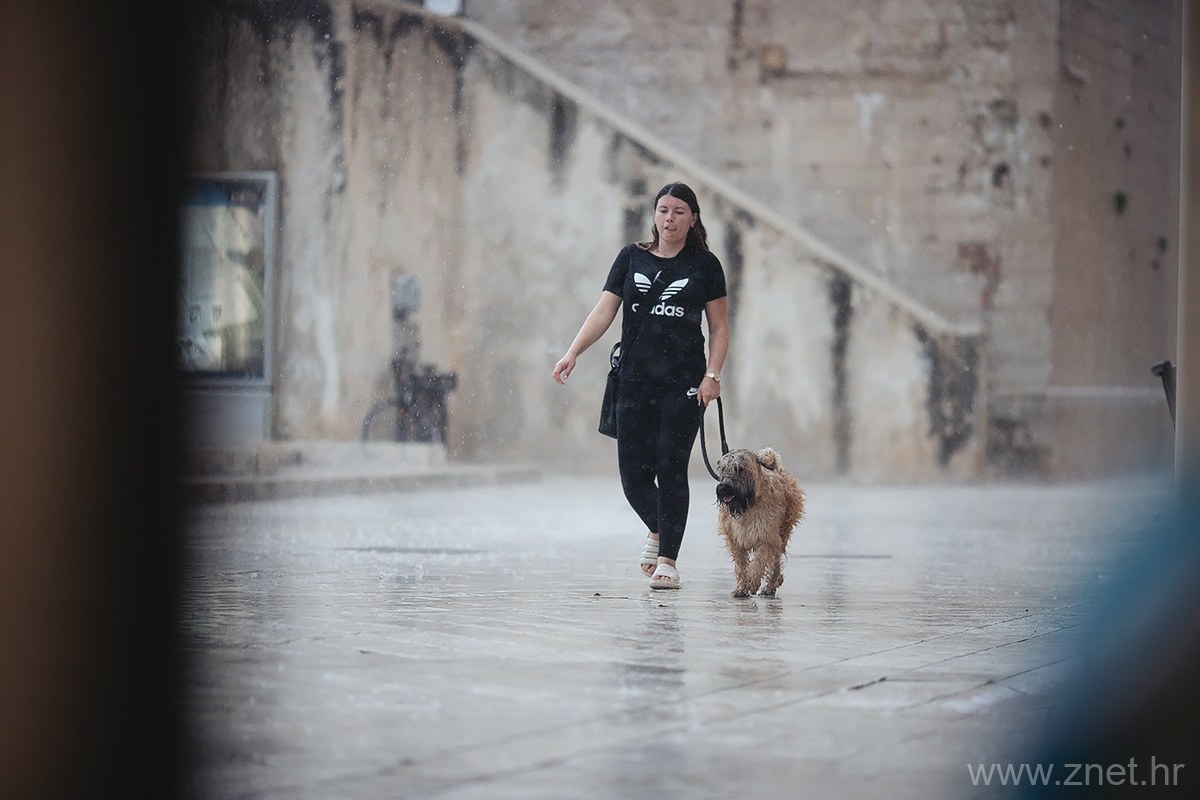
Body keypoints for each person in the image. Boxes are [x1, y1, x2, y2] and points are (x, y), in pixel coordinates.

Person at [553, 182, 729, 590]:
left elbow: (719, 327)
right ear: (654, 215)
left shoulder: (705, 265)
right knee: (633, 476)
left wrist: (712, 375)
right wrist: (573, 351)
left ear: (693, 219)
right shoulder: (631, 257)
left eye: (679, 212)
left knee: (671, 469)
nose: (670, 219)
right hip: (633, 381)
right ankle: (659, 528)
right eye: (663, 210)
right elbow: (604, 310)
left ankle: (668, 561)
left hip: (683, 384)